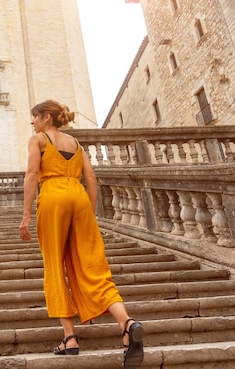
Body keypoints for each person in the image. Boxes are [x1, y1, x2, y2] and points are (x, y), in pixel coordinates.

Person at [18, 100, 144, 368]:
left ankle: (70, 337)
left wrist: (26, 215)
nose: (33, 122)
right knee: (93, 265)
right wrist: (92, 210)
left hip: (52, 196)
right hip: (79, 197)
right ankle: (126, 323)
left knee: (54, 265)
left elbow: (31, 174)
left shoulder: (38, 140)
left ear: (47, 118)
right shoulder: (75, 144)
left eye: (35, 117)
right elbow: (92, 177)